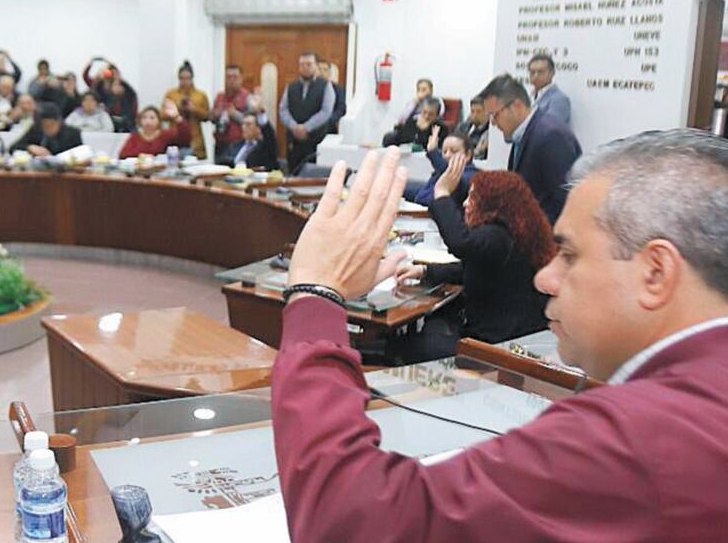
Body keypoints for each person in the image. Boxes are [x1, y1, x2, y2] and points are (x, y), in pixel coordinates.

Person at [272, 129, 728, 542]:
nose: (546, 278)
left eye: (569, 253)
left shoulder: (639, 438)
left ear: (655, 272)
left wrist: (316, 291)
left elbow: (351, 523)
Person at [390, 159, 551, 362]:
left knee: (415, 344)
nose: (466, 203)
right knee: (434, 323)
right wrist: (425, 271)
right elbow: (472, 267)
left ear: (492, 205)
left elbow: (460, 242)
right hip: (510, 336)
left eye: (473, 198)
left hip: (497, 347)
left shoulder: (498, 236)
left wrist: (441, 193)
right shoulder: (515, 234)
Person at [481, 73, 581, 224]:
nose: (493, 123)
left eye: (495, 115)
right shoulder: (522, 134)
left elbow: (565, 199)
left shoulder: (551, 135)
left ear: (516, 106)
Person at [280, 52, 336, 174]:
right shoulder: (291, 87)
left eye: (309, 64)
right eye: (301, 64)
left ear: (316, 66)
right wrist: (294, 126)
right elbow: (283, 109)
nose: (305, 67)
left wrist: (306, 127)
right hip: (294, 141)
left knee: (312, 177)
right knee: (293, 174)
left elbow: (326, 111)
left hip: (315, 141)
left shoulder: (325, 86)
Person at [412, 129, 477, 206]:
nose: (447, 155)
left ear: (467, 155)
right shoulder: (440, 171)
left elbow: (454, 176)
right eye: (444, 151)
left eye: (454, 151)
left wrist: (433, 153)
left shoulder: (471, 175)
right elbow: (421, 196)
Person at [163, 61, 210, 159]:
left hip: (196, 139)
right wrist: (176, 109)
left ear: (192, 78)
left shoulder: (201, 95)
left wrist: (193, 109)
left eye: (188, 78)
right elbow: (161, 115)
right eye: (182, 78)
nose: (185, 81)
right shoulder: (171, 94)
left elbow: (207, 116)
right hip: (175, 138)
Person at [84, 57, 138, 132]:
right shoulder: (97, 86)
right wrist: (91, 64)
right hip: (103, 120)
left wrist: (110, 64)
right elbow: (86, 77)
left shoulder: (125, 88)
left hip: (125, 121)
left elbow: (132, 103)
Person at [212, 65, 252, 164]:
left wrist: (234, 114)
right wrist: (215, 114)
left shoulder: (248, 97)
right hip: (220, 143)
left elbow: (253, 122)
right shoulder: (219, 96)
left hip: (239, 144)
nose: (232, 80)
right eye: (228, 77)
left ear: (241, 78)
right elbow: (211, 118)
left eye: (235, 77)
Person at [118, 105, 190, 159]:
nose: (148, 121)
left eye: (152, 118)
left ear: (159, 121)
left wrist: (177, 117)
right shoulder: (135, 136)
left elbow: (185, 139)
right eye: (144, 118)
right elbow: (123, 155)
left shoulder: (166, 134)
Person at [11, 103, 83, 156]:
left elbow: (82, 155)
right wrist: (30, 147)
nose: (48, 129)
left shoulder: (73, 133)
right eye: (45, 126)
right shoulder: (36, 130)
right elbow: (13, 148)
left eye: (51, 125)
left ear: (59, 122)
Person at [382, 96, 448, 149]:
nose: (426, 116)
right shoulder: (413, 121)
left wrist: (423, 130)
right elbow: (402, 138)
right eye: (424, 112)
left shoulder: (441, 128)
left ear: (437, 115)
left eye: (431, 114)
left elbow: (427, 147)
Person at [528, 53, 572, 125]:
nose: (536, 76)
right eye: (532, 72)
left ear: (552, 73)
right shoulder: (528, 97)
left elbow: (551, 128)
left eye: (540, 72)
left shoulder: (559, 99)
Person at [318, 59, 347, 133]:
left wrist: (327, 121)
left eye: (325, 70)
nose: (321, 72)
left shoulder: (338, 89)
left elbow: (341, 109)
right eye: (319, 69)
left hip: (328, 129)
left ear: (329, 73)